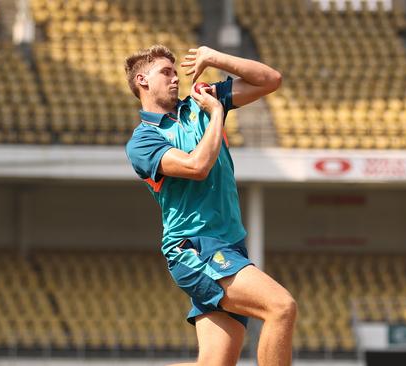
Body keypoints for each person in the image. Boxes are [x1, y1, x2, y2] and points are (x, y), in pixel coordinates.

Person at [124, 44, 296, 366]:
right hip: (194, 247)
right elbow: (196, 167)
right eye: (166, 72)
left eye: (176, 72)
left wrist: (215, 58)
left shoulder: (198, 103)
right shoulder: (143, 140)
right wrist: (217, 113)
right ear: (142, 80)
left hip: (229, 246)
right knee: (281, 307)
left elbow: (270, 80)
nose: (175, 78)